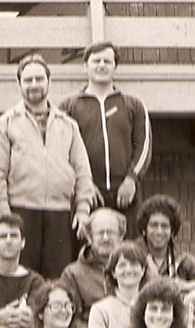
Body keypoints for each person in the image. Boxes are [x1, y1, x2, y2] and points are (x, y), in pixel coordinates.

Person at [0, 53, 98, 279]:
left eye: (39, 79)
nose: (34, 85)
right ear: (19, 84)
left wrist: (83, 209)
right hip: (21, 210)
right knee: (22, 278)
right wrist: (5, 216)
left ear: (49, 81)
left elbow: (83, 171)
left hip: (60, 213)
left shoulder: (68, 125)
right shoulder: (5, 123)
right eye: (28, 80)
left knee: (57, 280)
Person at [59, 41, 151, 235]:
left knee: (127, 252)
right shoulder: (69, 106)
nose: (101, 65)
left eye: (107, 61)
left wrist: (131, 179)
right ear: (85, 66)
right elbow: (60, 151)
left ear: (115, 66)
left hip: (125, 193)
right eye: (96, 61)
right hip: (88, 194)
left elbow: (143, 146)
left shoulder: (133, 105)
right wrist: (83, 186)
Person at [58, 208, 125, 328]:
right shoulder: (73, 274)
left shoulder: (134, 269)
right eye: (100, 233)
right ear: (89, 237)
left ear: (121, 236)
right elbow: (69, 319)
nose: (106, 238)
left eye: (111, 232)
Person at [135, 195, 195, 293]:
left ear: (172, 232)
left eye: (164, 226)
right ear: (144, 230)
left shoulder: (185, 261)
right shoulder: (134, 259)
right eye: (154, 225)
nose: (159, 232)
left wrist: (182, 286)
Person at [88, 242, 148, 328]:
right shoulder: (100, 310)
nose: (128, 270)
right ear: (113, 272)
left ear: (143, 270)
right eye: (122, 265)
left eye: (134, 264)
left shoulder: (153, 307)